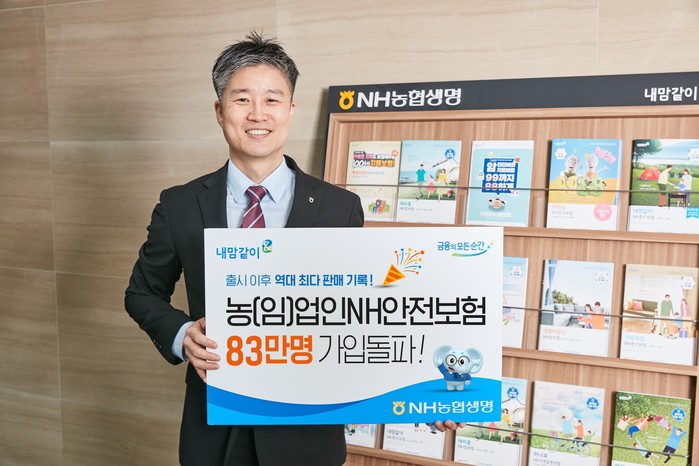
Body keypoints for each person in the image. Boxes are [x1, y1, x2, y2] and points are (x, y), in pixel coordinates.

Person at [124, 32, 369, 466]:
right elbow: (142, 293)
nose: (258, 114)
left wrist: (432, 388)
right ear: (220, 111)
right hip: (215, 427)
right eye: (242, 100)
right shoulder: (180, 205)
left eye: (272, 99)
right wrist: (183, 335)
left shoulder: (340, 207)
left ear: (291, 110)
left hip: (306, 429)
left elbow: (365, 310)